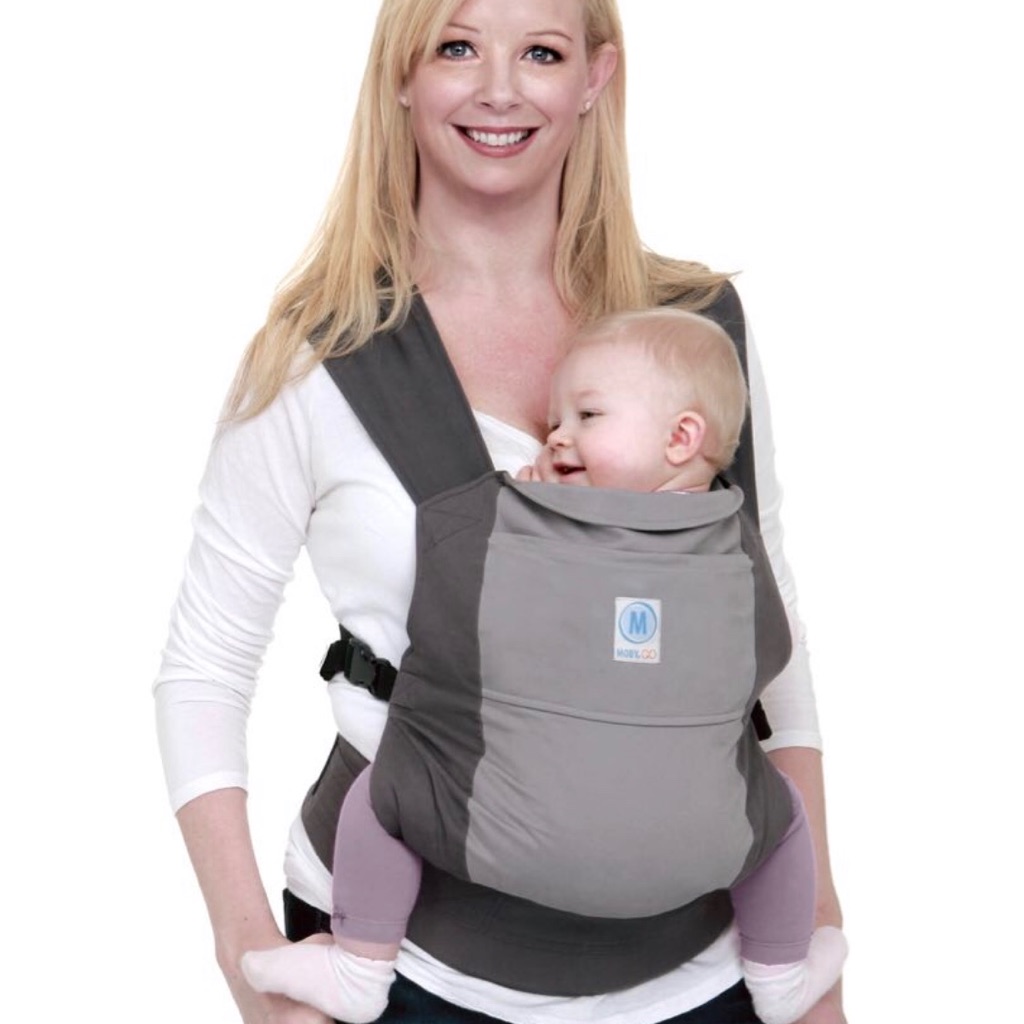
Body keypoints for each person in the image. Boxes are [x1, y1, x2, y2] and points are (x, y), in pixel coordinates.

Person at [154, 1, 847, 1022]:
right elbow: (203, 670)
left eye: (542, 52)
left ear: (595, 78)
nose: (498, 89)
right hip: (401, 969)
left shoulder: (692, 334)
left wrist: (815, 938)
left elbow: (765, 634)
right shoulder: (320, 359)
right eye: (456, 46)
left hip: (707, 970)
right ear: (402, 75)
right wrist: (248, 963)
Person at [238, 307, 848, 1024]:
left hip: (492, 851)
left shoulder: (515, 527)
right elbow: (771, 653)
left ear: (682, 436)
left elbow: (474, 625)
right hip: (700, 860)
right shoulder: (735, 551)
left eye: (587, 415)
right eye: (558, 420)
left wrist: (528, 512)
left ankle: (359, 966)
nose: (557, 435)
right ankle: (781, 974)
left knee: (380, 798)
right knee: (784, 819)